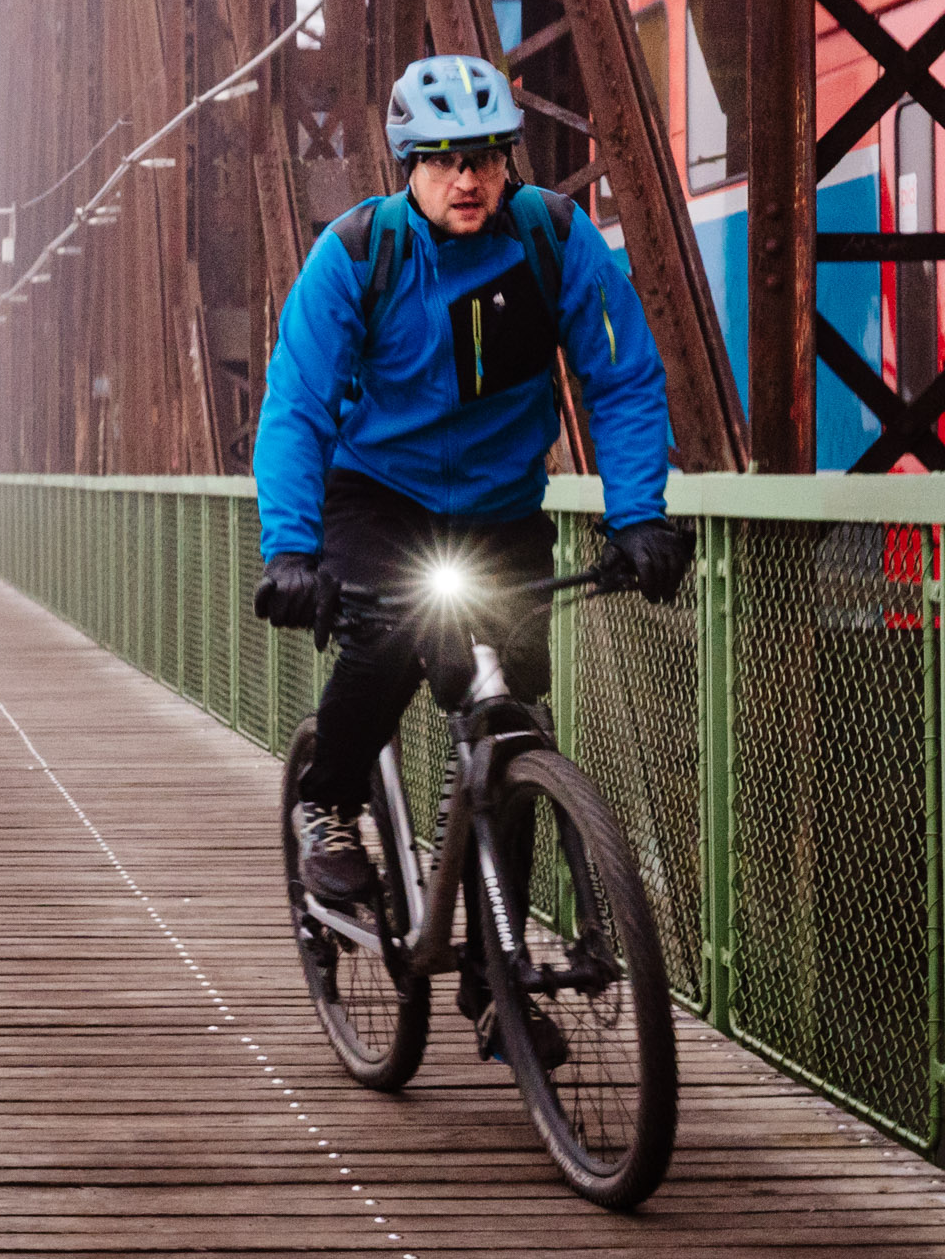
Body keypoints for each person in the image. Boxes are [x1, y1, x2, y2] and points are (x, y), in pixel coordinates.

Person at [250, 53, 692, 916]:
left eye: (486, 156)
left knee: (511, 714)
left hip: (500, 509)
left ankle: (501, 982)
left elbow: (625, 377)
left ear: (508, 162)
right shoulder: (354, 255)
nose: (468, 177)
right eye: (446, 159)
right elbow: (296, 408)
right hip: (379, 497)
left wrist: (639, 514)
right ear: (409, 165)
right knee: (385, 637)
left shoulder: (554, 239)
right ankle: (327, 804)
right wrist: (292, 550)